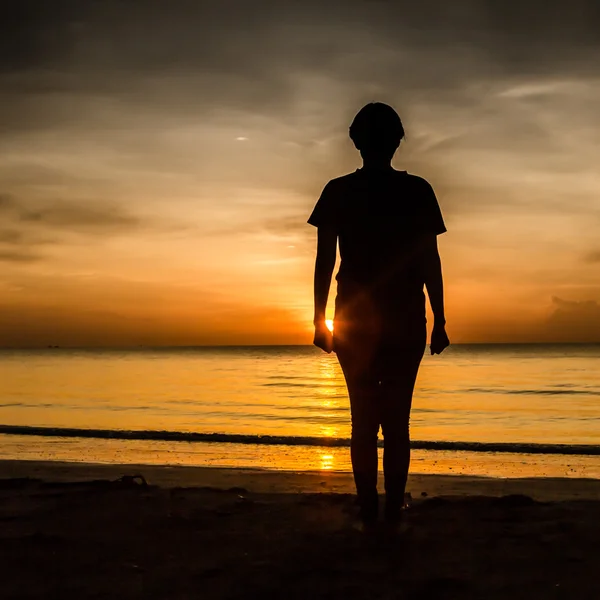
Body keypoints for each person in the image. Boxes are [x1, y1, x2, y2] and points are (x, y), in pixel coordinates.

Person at [308, 102, 450, 530]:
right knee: (397, 421)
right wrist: (440, 319)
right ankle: (388, 510)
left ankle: (371, 507)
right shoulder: (417, 190)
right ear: (398, 140)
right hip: (406, 318)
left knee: (364, 420)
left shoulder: (338, 191)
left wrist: (319, 320)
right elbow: (430, 262)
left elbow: (324, 263)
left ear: (355, 140)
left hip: (355, 320)